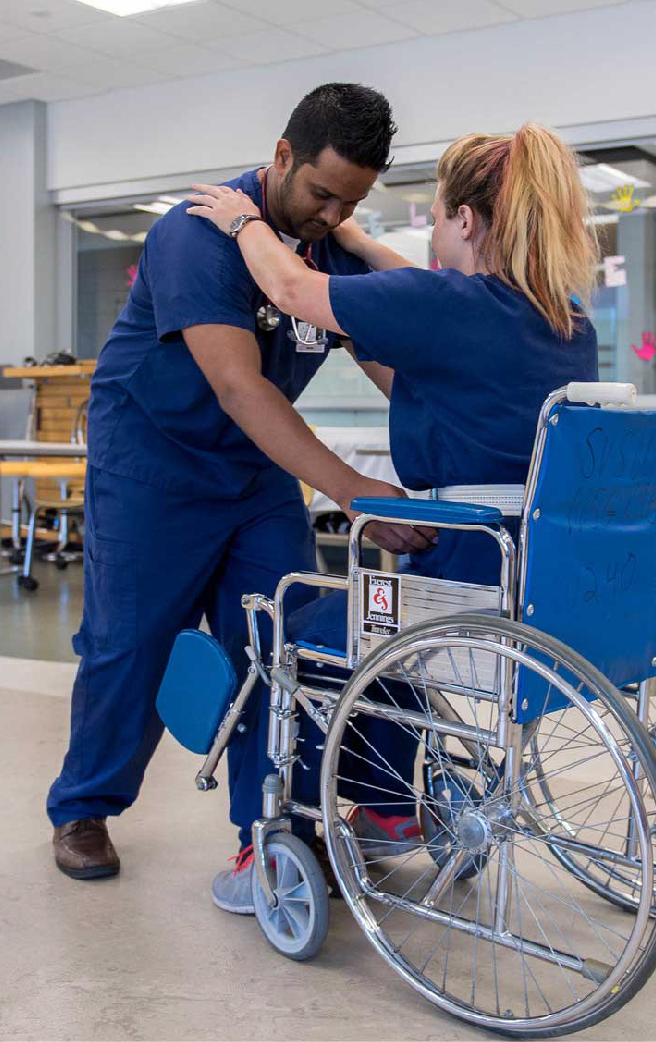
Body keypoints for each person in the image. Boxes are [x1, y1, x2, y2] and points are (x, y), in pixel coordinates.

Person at [186, 121, 599, 913]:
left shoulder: (445, 303)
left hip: (464, 579)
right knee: (369, 625)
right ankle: (384, 810)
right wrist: (348, 232)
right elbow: (420, 287)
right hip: (545, 583)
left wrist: (243, 220)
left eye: (440, 215)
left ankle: (293, 835)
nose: (432, 232)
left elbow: (292, 291)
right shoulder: (562, 318)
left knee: (297, 629)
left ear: (466, 222)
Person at [45, 84, 428, 883]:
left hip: (254, 469)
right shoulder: (198, 233)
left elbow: (386, 358)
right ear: (281, 156)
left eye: (347, 204)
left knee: (279, 640)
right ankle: (84, 805)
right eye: (321, 193)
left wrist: (455, 432)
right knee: (130, 642)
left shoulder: (328, 242)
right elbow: (240, 386)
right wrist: (352, 489)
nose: (329, 215)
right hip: (153, 460)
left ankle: (269, 824)